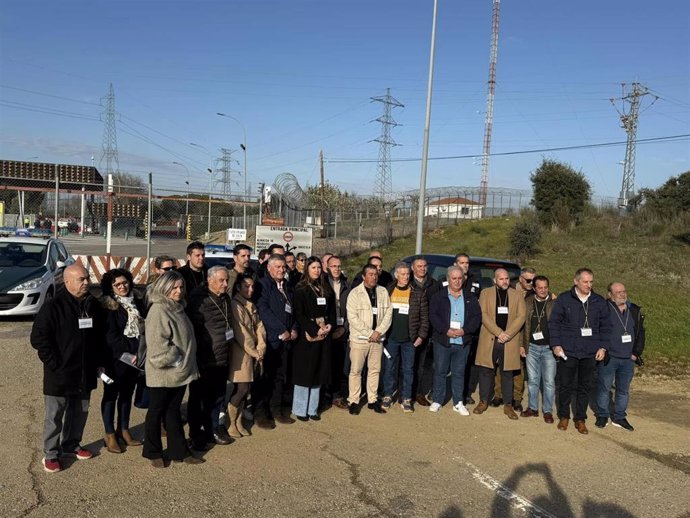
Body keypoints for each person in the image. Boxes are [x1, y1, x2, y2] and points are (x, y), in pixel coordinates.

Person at [31, 264, 107, 473]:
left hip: (85, 371)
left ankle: (71, 445)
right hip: (60, 373)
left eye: (87, 278)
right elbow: (39, 339)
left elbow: (99, 336)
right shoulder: (53, 306)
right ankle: (51, 454)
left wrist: (98, 362)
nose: (86, 283)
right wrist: (55, 364)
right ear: (67, 282)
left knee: (79, 412)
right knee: (54, 415)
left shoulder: (92, 305)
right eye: (81, 279)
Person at [143, 271, 203, 467]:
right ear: (164, 288)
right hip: (164, 372)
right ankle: (153, 452)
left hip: (179, 371)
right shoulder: (159, 310)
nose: (179, 291)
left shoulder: (177, 307)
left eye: (181, 287)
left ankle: (179, 450)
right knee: (156, 412)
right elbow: (157, 346)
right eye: (174, 287)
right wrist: (176, 357)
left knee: (173, 410)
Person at [549, 268, 611, 435]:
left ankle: (580, 418)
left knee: (584, 387)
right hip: (568, 351)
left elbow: (605, 326)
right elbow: (554, 323)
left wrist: (603, 347)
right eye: (585, 282)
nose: (589, 285)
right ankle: (564, 416)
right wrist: (556, 344)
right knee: (565, 386)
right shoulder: (564, 299)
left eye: (591, 282)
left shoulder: (599, 301)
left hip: (590, 352)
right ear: (576, 281)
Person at [187, 266, 234, 449]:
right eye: (221, 280)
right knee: (198, 398)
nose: (225, 284)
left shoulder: (225, 298)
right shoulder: (198, 299)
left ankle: (213, 428)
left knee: (218, 395)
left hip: (222, 355)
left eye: (227, 280)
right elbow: (194, 331)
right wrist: (198, 356)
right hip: (204, 358)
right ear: (210, 280)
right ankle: (195, 433)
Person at [100, 268, 146, 453]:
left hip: (136, 358)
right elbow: (110, 336)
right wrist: (131, 351)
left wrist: (140, 351)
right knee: (111, 395)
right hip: (116, 358)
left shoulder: (137, 302)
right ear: (111, 287)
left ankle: (124, 429)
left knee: (127, 394)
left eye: (125, 282)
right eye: (117, 284)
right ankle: (109, 433)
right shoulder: (109, 306)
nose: (122, 286)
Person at [473, 268, 527, 420]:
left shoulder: (517, 295)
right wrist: (499, 333)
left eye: (507, 279)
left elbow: (521, 316)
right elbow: (483, 314)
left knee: (507, 373)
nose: (505, 281)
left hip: (509, 340)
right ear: (495, 280)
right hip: (490, 338)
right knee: (486, 371)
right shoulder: (486, 293)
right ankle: (483, 401)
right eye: (501, 279)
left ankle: (508, 405)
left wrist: (507, 334)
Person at [428, 266, 481, 415]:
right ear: (448, 279)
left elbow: (476, 318)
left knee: (459, 372)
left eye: (460, 278)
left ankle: (458, 402)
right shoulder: (438, 296)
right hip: (443, 340)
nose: (457, 281)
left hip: (462, 341)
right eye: (454, 278)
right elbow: (434, 315)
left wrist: (465, 330)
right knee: (440, 371)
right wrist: (446, 330)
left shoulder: (470, 298)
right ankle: (438, 400)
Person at [595, 282, 646, 431]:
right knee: (604, 388)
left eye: (624, 291)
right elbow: (596, 330)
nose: (622, 294)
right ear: (610, 295)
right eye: (618, 292)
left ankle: (619, 417)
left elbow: (640, 334)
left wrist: (636, 353)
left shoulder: (634, 310)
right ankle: (603, 415)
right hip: (609, 357)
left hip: (628, 359)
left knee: (623, 390)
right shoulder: (604, 309)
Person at [255, 254, 297, 428]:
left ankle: (276, 410)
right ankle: (261, 413)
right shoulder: (263, 285)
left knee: (280, 377)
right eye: (278, 267)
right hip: (271, 339)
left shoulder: (287, 286)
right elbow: (263, 310)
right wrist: (282, 330)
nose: (281, 270)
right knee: (265, 378)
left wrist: (294, 328)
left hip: (286, 341)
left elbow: (294, 310)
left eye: (283, 267)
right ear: (269, 268)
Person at [292, 257, 336, 420]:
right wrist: (315, 329)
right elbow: (299, 314)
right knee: (305, 373)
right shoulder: (300, 288)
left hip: (325, 333)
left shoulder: (325, 287)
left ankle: (312, 409)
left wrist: (330, 325)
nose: (316, 270)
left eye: (318, 267)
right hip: (308, 334)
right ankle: (300, 409)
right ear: (307, 270)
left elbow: (332, 311)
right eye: (313, 267)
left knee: (319, 371)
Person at [382, 262, 429, 413]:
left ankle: (407, 398)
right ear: (396, 275)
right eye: (402, 274)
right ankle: (388, 395)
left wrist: (421, 336)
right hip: (391, 338)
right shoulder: (388, 290)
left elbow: (424, 318)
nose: (405, 277)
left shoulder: (417, 292)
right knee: (389, 368)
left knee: (408, 369)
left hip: (410, 339)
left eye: (407, 274)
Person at [346, 264, 392, 415]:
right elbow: (353, 318)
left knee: (374, 370)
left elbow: (388, 314)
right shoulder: (354, 293)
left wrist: (378, 332)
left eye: (375, 274)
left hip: (377, 339)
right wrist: (370, 333)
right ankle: (353, 400)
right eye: (370, 274)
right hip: (360, 340)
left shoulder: (383, 291)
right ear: (364, 276)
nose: (374, 277)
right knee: (356, 371)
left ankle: (372, 400)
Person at [228, 275, 266, 438]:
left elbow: (259, 325)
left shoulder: (251, 304)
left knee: (246, 388)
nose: (250, 290)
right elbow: (241, 333)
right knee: (241, 388)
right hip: (240, 353)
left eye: (252, 286)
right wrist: (255, 351)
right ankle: (230, 422)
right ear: (238, 287)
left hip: (253, 352)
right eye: (246, 286)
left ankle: (239, 421)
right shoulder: (235, 305)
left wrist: (261, 346)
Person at [494, 267, 536, 411]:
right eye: (529, 280)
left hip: (523, 334)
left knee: (518, 368)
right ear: (520, 279)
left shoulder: (534, 294)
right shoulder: (508, 289)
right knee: (501, 364)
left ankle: (516, 398)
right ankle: (498, 394)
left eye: (534, 280)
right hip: (505, 332)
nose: (532, 283)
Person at [520, 275, 556, 423]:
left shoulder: (555, 303)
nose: (543, 290)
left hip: (549, 348)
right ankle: (533, 408)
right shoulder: (527, 302)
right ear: (534, 288)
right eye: (539, 287)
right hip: (532, 347)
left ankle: (547, 411)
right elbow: (522, 326)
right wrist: (522, 345)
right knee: (533, 380)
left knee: (548, 381)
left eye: (545, 287)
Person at [410, 256, 440, 407]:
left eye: (424, 266)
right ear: (413, 268)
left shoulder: (433, 285)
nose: (422, 269)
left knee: (421, 365)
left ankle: (419, 393)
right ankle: (404, 392)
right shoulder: (406, 283)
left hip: (426, 331)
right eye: (419, 266)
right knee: (406, 364)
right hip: (408, 330)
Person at [325, 255, 351, 410]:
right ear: (328, 268)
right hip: (326, 330)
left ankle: (336, 395)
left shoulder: (347, 286)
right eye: (333, 266)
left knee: (340, 365)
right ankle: (324, 395)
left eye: (339, 266)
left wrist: (344, 328)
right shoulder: (322, 284)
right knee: (325, 364)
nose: (337, 269)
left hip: (342, 331)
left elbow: (351, 311)